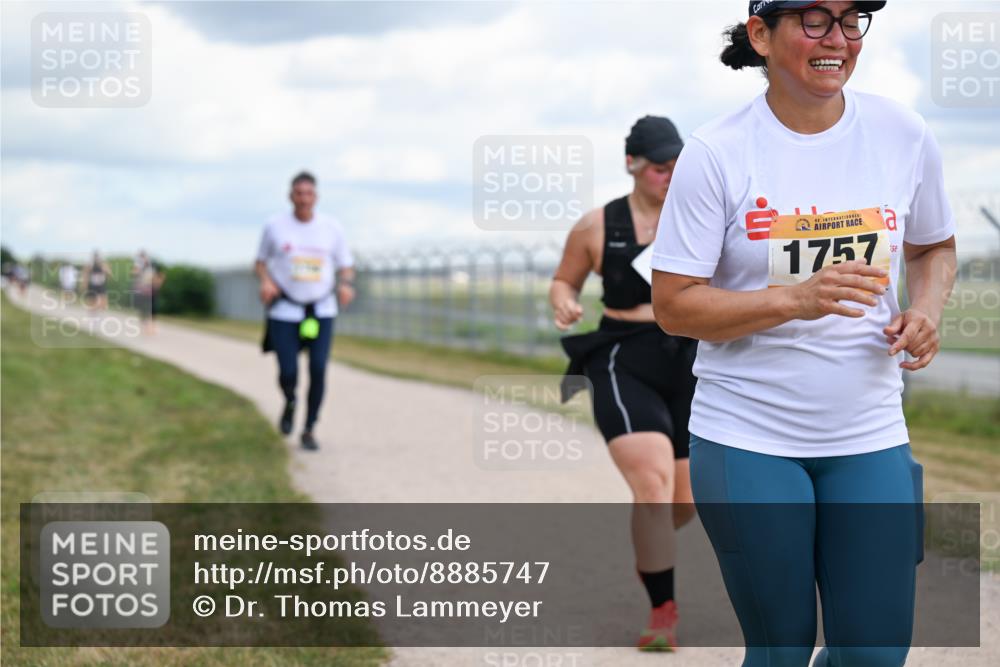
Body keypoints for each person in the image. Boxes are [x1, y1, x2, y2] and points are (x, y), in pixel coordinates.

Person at [651, 2, 957, 666]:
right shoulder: (717, 153)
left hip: (869, 432)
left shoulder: (902, 133)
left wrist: (928, 308)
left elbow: (934, 247)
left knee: (873, 655)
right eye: (815, 19)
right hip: (747, 436)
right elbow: (674, 306)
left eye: (852, 21)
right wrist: (793, 299)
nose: (838, 38)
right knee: (781, 650)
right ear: (761, 34)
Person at [550, 116, 698, 651]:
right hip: (621, 357)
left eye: (678, 164)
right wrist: (565, 300)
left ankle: (648, 540)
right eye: (661, 166)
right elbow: (565, 279)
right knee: (653, 489)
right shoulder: (596, 225)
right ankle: (663, 611)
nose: (671, 175)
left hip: (691, 357)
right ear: (633, 164)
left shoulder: (702, 215)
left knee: (686, 503)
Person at [256, 171, 355, 451]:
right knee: (288, 371)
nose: (304, 199)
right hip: (285, 310)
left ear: (316, 197)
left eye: (309, 193)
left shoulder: (331, 228)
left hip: (321, 310)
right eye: (299, 193)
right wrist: (266, 281)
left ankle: (309, 428)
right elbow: (261, 262)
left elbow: (345, 265)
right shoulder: (275, 226)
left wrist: (346, 284)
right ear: (291, 196)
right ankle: (289, 401)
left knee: (318, 369)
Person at [132, 250, 165, 334]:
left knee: (153, 308)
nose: (142, 259)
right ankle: (145, 325)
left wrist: (158, 284)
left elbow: (161, 275)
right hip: (141, 290)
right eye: (140, 257)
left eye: (143, 257)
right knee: (143, 309)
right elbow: (134, 275)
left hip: (151, 290)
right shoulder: (138, 266)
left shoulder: (153, 265)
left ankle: (151, 327)